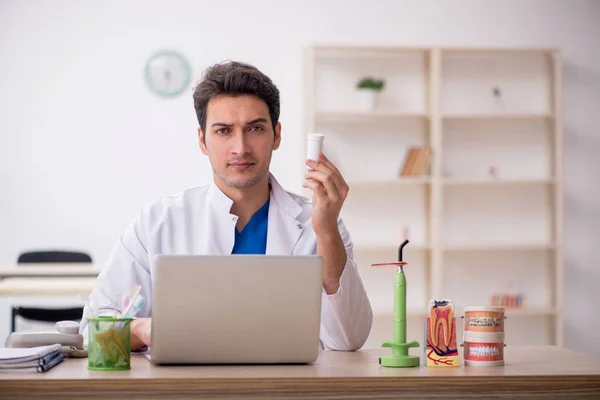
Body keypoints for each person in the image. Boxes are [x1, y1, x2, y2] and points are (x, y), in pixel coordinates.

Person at [79, 61, 373, 351]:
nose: (240, 147)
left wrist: (325, 231)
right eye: (223, 131)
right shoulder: (158, 222)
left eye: (255, 128)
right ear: (202, 141)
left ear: (277, 136)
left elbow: (349, 339)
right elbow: (93, 331)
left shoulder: (319, 224)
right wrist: (145, 328)